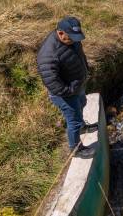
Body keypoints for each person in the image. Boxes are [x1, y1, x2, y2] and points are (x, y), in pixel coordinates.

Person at [36, 16, 93, 157]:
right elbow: (51, 82)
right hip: (65, 94)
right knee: (73, 120)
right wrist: (69, 91)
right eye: (72, 37)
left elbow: (80, 55)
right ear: (60, 33)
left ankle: (82, 127)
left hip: (76, 85)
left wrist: (86, 69)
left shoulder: (72, 40)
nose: (75, 40)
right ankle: (76, 149)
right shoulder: (48, 54)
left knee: (82, 103)